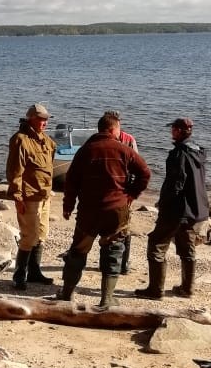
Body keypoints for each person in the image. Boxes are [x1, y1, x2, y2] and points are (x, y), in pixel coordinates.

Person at [58, 114, 150, 310]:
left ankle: (67, 293)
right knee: (113, 251)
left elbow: (71, 182)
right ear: (112, 130)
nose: (119, 133)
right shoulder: (124, 149)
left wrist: (68, 206)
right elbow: (145, 173)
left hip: (88, 211)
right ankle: (106, 298)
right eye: (118, 129)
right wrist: (131, 195)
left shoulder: (85, 151)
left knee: (78, 251)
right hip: (116, 210)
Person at [135, 116, 210, 301]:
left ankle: (156, 290)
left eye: (173, 129)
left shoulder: (179, 154)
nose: (171, 132)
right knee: (187, 247)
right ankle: (187, 288)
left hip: (176, 209)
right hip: (194, 209)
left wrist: (163, 203)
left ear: (178, 131)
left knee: (156, 244)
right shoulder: (198, 151)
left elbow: (176, 183)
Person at [5, 103, 56, 290]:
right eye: (41, 119)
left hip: (44, 195)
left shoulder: (45, 139)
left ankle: (35, 272)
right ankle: (19, 275)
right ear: (31, 119)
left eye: (46, 119)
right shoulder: (20, 140)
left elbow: (49, 163)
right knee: (29, 236)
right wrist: (17, 197)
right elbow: (14, 171)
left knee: (42, 234)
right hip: (29, 195)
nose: (45, 122)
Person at [103, 110, 138, 274]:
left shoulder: (129, 140)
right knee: (105, 228)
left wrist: (131, 192)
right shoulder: (100, 140)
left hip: (123, 191)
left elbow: (138, 168)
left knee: (125, 228)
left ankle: (123, 264)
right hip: (105, 191)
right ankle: (106, 262)